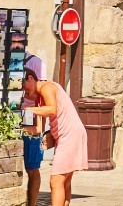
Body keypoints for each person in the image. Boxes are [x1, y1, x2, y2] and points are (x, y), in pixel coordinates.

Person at [23, 66, 87, 206]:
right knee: (64, 181)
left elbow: (52, 109)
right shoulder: (39, 100)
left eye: (24, 87)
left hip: (69, 136)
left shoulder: (47, 87)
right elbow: (38, 129)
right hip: (68, 136)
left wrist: (28, 109)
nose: (25, 93)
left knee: (56, 180)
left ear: (31, 78)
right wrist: (17, 130)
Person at [19, 57, 47, 206]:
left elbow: (41, 98)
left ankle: (32, 204)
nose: (24, 90)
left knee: (32, 168)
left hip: (32, 117)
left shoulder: (36, 62)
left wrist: (39, 129)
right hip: (16, 113)